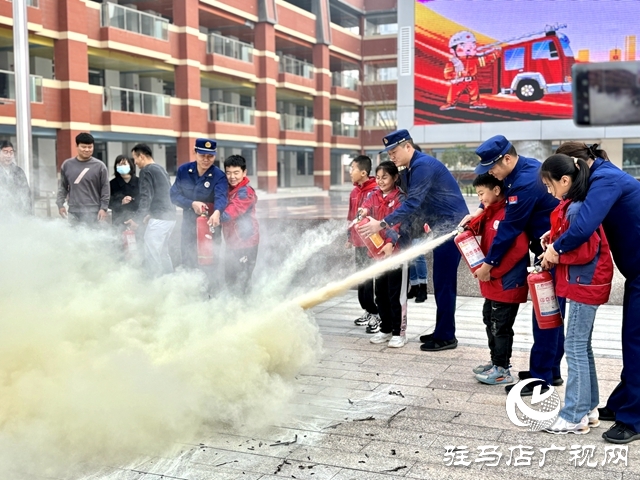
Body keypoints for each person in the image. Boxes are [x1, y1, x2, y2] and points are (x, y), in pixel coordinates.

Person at [542, 142, 640, 443]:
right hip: (634, 273)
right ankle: (619, 404)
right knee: (629, 340)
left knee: (635, 342)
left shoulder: (605, 179)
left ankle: (633, 419)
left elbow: (584, 228)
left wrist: (555, 250)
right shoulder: (598, 180)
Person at [358, 129, 469, 352]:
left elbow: (412, 204)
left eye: (394, 150)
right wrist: (397, 236)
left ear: (408, 147)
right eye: (388, 152)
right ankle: (442, 330)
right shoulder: (410, 169)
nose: (391, 155)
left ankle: (447, 336)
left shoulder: (422, 166)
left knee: (444, 283)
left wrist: (382, 224)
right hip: (439, 228)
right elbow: (413, 211)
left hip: (450, 228)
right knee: (440, 283)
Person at [468, 135, 563, 396]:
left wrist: (489, 263)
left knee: (546, 316)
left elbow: (510, 229)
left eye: (492, 168)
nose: (491, 174)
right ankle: (549, 371)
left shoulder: (524, 183)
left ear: (507, 159)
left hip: (552, 252)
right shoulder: (520, 170)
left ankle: (541, 377)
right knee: (550, 314)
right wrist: (479, 209)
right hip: (548, 248)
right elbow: (498, 189)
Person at [539, 153, 613, 435]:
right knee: (582, 346)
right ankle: (589, 408)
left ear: (565, 180)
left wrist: (555, 255)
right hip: (584, 281)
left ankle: (573, 415)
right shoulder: (573, 204)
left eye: (550, 185)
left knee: (574, 348)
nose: (549, 191)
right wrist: (553, 241)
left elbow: (584, 250)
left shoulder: (576, 207)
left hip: (585, 281)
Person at [467, 174, 529, 385]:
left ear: (496, 190)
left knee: (500, 326)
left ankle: (502, 369)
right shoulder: (490, 213)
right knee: (489, 319)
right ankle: (496, 361)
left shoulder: (508, 215)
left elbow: (519, 249)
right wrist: (475, 215)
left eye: (482, 194)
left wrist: (493, 272)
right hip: (493, 282)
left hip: (507, 282)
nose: (480, 198)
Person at [360, 161, 408, 348]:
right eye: (378, 177)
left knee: (395, 294)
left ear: (395, 177)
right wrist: (363, 211)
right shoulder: (374, 195)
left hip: (396, 253)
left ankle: (399, 332)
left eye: (385, 177)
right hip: (378, 252)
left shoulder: (401, 199)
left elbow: (399, 223)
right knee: (380, 293)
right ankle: (386, 329)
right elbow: (366, 206)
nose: (380, 181)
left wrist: (390, 243)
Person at [170, 138, 227, 285]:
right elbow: (174, 195)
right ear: (195, 153)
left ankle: (210, 294)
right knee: (188, 261)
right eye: (202, 155)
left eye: (210, 156)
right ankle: (190, 294)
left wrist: (217, 212)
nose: (206, 160)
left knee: (210, 261)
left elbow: (221, 197)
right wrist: (191, 204)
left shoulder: (219, 175)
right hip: (188, 226)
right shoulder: (184, 171)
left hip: (210, 227)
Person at [125, 144, 176, 277]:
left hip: (159, 220)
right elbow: (165, 193)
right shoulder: (160, 169)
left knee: (152, 254)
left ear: (141, 156)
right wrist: (151, 214)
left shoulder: (146, 170)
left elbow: (145, 197)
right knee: (163, 253)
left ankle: (155, 286)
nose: (134, 162)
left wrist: (137, 218)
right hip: (169, 218)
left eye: (135, 158)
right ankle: (171, 283)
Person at [347, 155, 381, 333]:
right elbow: (350, 216)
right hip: (358, 243)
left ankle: (377, 313)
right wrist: (349, 237)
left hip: (372, 244)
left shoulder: (375, 191)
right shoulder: (354, 192)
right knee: (361, 277)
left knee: (369, 278)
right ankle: (368, 310)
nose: (350, 172)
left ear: (363, 172)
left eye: (352, 168)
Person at [216, 154, 259, 294]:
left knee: (242, 280)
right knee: (230, 279)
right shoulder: (228, 189)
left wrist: (214, 216)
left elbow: (230, 213)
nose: (232, 177)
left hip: (246, 244)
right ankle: (235, 310)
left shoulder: (245, 192)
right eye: (228, 173)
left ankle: (247, 311)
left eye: (236, 173)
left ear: (244, 172)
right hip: (232, 243)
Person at [56, 132, 110, 225]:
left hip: (94, 211)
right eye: (84, 147)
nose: (87, 150)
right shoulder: (67, 165)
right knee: (75, 238)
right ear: (77, 146)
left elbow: (105, 189)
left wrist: (103, 208)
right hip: (73, 211)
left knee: (92, 238)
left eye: (90, 147)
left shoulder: (100, 166)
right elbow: (63, 187)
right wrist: (60, 204)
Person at [0, 140, 31, 217]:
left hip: (18, 214)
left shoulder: (18, 171)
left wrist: (28, 214)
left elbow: (26, 194)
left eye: (11, 152)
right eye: (5, 152)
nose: (9, 155)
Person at [108, 155, 139, 230]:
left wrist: (133, 199)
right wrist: (120, 202)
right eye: (119, 165)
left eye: (124, 164)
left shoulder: (139, 182)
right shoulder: (112, 183)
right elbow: (108, 202)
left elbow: (145, 199)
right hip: (118, 220)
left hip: (136, 220)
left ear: (130, 166)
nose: (122, 166)